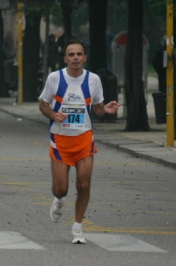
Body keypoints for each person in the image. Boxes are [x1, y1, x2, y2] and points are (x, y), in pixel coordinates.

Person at [39, 39, 120, 244]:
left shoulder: (93, 79)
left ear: (85, 57)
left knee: (84, 184)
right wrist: (52, 114)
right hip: (60, 140)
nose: (75, 57)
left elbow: (98, 108)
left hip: (84, 139)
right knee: (61, 188)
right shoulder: (55, 78)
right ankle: (58, 201)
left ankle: (77, 228)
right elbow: (43, 104)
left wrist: (106, 110)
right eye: (71, 54)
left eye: (79, 54)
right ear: (65, 58)